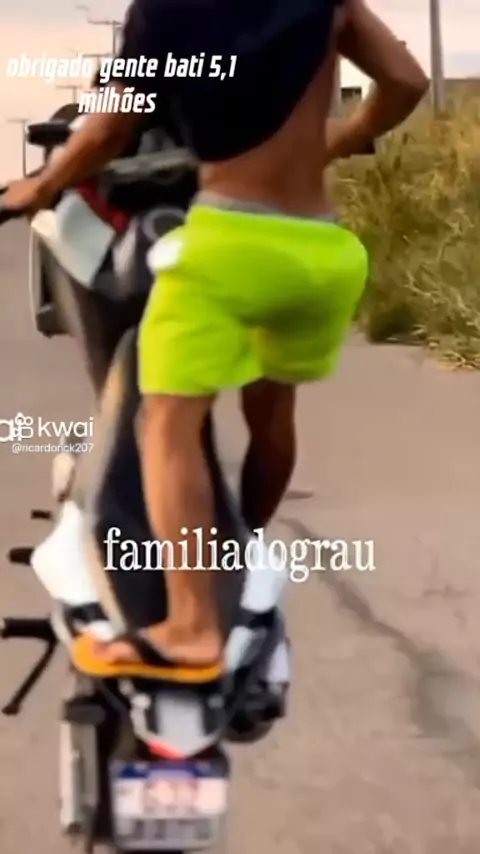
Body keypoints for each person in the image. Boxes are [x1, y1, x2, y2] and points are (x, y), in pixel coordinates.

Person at [2, 0, 429, 683]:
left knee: (165, 422)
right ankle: (240, 553)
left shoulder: (165, 11)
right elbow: (406, 82)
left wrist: (41, 184)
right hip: (323, 254)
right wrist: (343, 136)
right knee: (272, 416)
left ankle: (193, 626)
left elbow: (110, 128)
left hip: (230, 245)